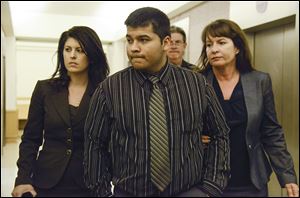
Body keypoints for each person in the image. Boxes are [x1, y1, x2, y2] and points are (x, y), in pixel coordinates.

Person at [84, 7, 230, 197]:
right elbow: (94, 143)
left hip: (188, 192)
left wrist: (210, 188)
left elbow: (220, 134)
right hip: (128, 193)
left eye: (143, 40)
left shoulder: (197, 85)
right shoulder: (109, 89)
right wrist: (103, 193)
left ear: (166, 43)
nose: (133, 47)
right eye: (130, 40)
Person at [197, 19, 299, 197]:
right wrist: (193, 136)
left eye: (221, 42)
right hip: (206, 181)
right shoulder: (196, 82)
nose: (213, 49)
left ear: (237, 48)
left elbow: (271, 131)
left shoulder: (259, 81)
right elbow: (178, 124)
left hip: (250, 180)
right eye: (208, 44)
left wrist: (287, 174)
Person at [11, 26, 110, 197]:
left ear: (92, 55)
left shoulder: (105, 92)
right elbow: (30, 139)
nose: (72, 55)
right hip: (47, 180)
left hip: (90, 183)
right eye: (67, 49)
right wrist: (23, 179)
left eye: (79, 50)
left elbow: (112, 143)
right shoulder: (45, 89)